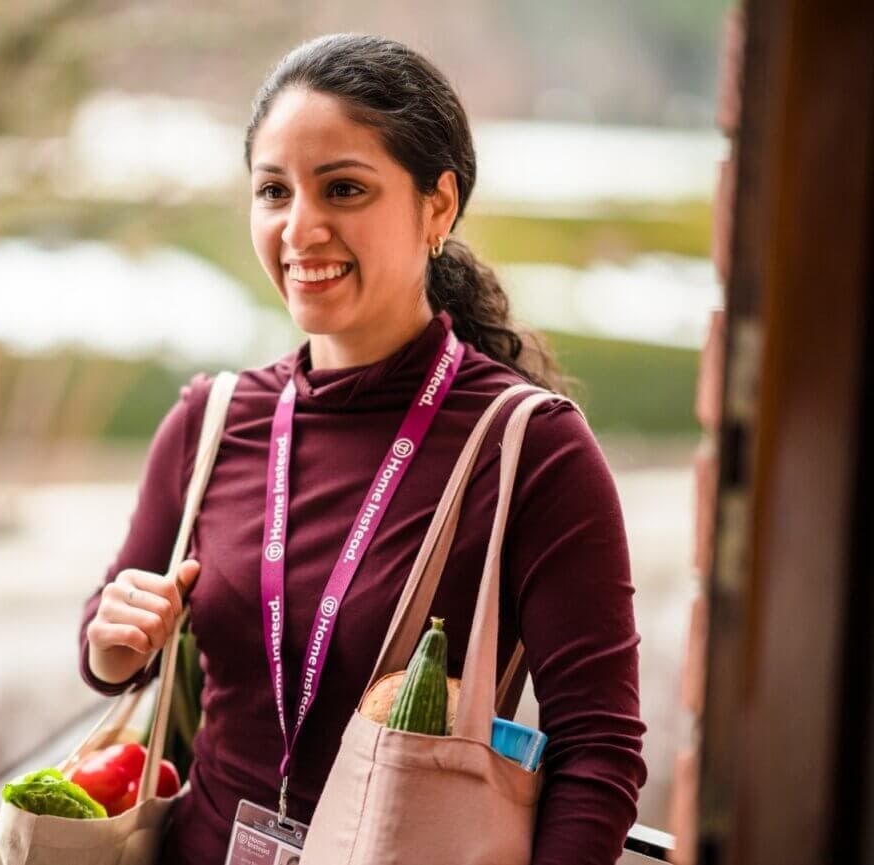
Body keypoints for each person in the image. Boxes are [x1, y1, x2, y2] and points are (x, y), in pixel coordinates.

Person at [79, 33, 646, 865]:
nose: (300, 228)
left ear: (437, 206)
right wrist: (113, 638)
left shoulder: (531, 448)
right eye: (274, 190)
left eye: (343, 188)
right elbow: (107, 650)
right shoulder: (212, 420)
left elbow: (598, 751)